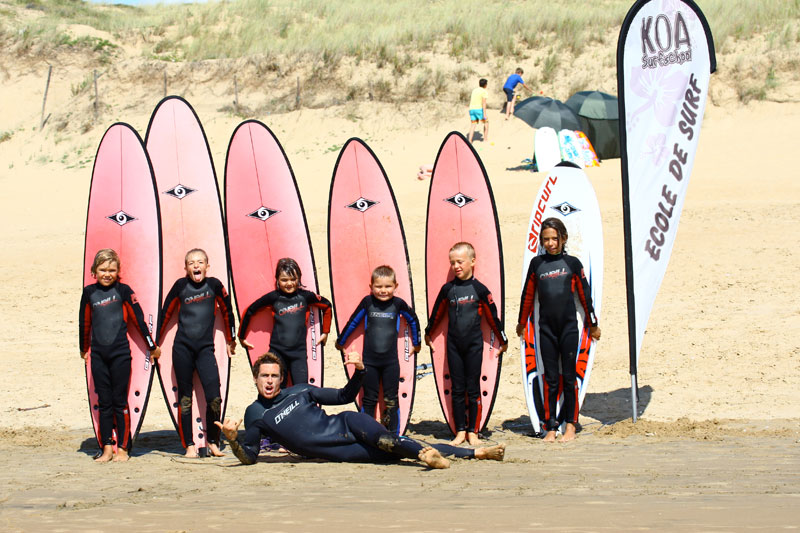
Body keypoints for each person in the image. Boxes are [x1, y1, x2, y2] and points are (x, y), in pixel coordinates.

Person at [215, 352, 506, 468]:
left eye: (274, 376)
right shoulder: (256, 414)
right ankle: (476, 453)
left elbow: (344, 396)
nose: (269, 381)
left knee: (388, 441)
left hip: (347, 424)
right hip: (337, 452)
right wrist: (232, 438)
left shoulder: (300, 391)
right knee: (389, 456)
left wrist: (360, 372)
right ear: (255, 379)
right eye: (264, 376)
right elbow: (250, 457)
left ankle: (431, 457)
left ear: (282, 378)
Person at [516, 218, 601, 443]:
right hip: (546, 330)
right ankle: (551, 427)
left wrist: (593, 324)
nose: (551, 243)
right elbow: (527, 296)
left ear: (563, 238)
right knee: (551, 379)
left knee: (569, 376)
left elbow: (585, 296)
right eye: (546, 239)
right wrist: (521, 323)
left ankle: (571, 425)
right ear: (541, 242)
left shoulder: (573, 263)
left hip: (568, 329)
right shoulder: (537, 264)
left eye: (555, 238)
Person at [79, 248, 161, 462]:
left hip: (120, 355)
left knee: (119, 402)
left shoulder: (124, 291)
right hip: (98, 355)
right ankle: (107, 448)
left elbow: (138, 319)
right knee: (104, 403)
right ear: (94, 271)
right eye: (103, 269)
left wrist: (151, 346)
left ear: (118, 272)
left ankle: (123, 448)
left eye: (112, 270)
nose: (107, 273)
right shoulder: (89, 293)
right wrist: (83, 348)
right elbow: (84, 322)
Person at [425, 242, 508, 446]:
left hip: (473, 346)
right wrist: (428, 334)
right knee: (457, 389)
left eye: (460, 261)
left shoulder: (479, 289)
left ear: (473, 261)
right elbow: (436, 314)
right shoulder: (448, 290)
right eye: (452, 262)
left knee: (472, 388)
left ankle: (473, 431)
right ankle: (460, 430)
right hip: (453, 346)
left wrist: (502, 340)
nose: (456, 266)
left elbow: (493, 317)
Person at [158, 248, 236, 458]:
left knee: (214, 398)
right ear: (186, 268)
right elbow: (165, 313)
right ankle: (189, 446)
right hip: (182, 348)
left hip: (205, 349)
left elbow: (228, 311)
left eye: (200, 262)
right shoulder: (180, 286)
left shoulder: (215, 285)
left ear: (207, 266)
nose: (196, 265)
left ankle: (212, 441)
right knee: (185, 399)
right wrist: (155, 343)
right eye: (191, 262)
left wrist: (231, 339)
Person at [335, 265, 421, 433]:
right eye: (378, 286)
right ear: (371, 287)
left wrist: (416, 343)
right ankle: (366, 434)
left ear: (395, 287)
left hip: (391, 362)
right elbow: (353, 321)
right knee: (369, 399)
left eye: (388, 286)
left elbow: (413, 320)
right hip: (369, 362)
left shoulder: (398, 304)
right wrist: (341, 341)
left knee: (391, 400)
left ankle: (394, 436)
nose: (383, 290)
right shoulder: (368, 302)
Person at [239, 257, 332, 387]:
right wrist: (241, 336)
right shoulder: (274, 297)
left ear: (299, 278)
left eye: (293, 279)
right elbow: (249, 311)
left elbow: (327, 306)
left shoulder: (306, 296)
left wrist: (325, 332)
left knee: (302, 391)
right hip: (277, 352)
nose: (289, 283)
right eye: (284, 280)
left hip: (298, 353)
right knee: (276, 391)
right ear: (277, 280)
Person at [467, 78, 489, 143]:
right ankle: (485, 139)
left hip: (471, 109)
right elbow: (484, 102)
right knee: (486, 123)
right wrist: (484, 113)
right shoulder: (484, 91)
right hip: (479, 109)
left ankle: (470, 140)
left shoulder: (474, 90)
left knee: (473, 124)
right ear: (485, 85)